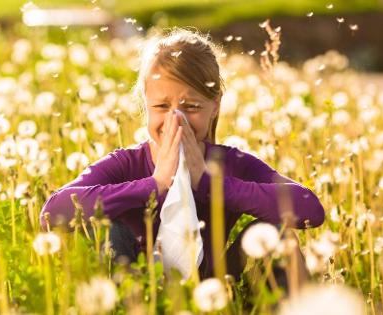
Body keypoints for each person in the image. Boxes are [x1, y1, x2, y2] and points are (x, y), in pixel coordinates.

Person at [40, 28, 325, 283]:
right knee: (107, 228)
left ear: (215, 106)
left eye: (191, 107)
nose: (176, 119)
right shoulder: (126, 163)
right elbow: (52, 213)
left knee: (279, 235)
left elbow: (310, 209)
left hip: (216, 286)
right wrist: (154, 185)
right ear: (145, 105)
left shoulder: (230, 163)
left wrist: (211, 183)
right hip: (136, 286)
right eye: (162, 106)